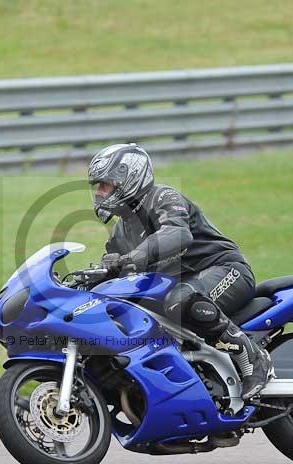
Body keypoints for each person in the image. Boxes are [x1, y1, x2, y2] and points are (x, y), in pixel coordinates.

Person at [87, 143, 273, 400]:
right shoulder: (122, 230)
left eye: (104, 184)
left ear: (127, 178)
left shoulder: (162, 197)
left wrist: (136, 256)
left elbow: (177, 232)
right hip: (185, 286)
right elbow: (115, 272)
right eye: (97, 187)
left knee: (180, 300)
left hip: (224, 269)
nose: (99, 193)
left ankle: (252, 357)